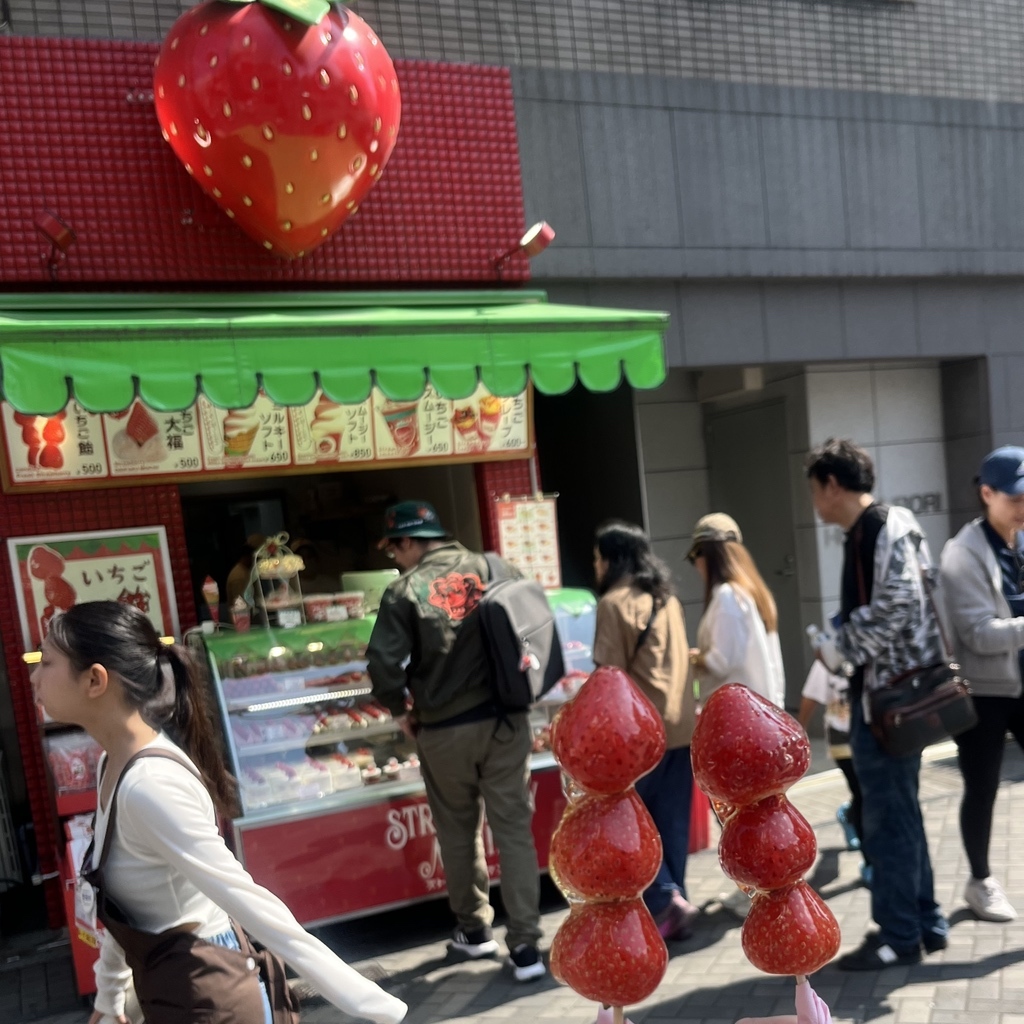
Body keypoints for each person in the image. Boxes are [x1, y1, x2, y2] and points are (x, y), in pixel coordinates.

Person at [30, 601, 406, 1024]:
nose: (34, 677)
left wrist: (377, 1008)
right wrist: (109, 996)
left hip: (210, 997)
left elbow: (251, 904)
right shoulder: (112, 765)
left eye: (46, 662)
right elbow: (124, 902)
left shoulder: (148, 786)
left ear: (95, 680)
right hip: (175, 990)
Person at [365, 500, 545, 982]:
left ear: (408, 542)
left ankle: (475, 931)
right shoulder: (494, 565)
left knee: (458, 830)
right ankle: (526, 946)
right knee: (512, 827)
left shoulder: (404, 591)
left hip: (444, 731)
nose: (394, 559)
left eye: (393, 549)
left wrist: (401, 711)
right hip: (507, 722)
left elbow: (383, 666)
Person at [805, 437, 948, 970]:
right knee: (902, 814)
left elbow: (898, 605)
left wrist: (839, 646)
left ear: (832, 484)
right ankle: (925, 923)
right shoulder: (886, 527)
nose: (814, 504)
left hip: (887, 699)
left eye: (815, 491)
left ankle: (897, 936)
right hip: (897, 695)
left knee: (886, 819)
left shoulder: (879, 528)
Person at [591, 520, 699, 941]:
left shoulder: (613, 604)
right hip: (680, 724)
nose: (595, 566)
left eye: (597, 558)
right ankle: (677, 904)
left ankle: (663, 900)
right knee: (670, 821)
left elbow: (608, 677)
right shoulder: (666, 598)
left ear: (611, 560)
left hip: (639, 733)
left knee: (632, 824)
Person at [939, 445, 1024, 923]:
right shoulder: (963, 553)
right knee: (983, 786)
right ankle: (979, 880)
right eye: (1015, 497)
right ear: (986, 493)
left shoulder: (1018, 537)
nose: (1023, 506)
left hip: (1021, 682)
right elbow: (977, 634)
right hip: (984, 692)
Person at [686, 513, 785, 708]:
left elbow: (722, 662)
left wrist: (695, 658)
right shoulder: (753, 592)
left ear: (708, 555)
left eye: (694, 556)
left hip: (738, 713)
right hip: (762, 708)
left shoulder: (727, 596)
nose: (696, 565)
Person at [798, 660, 872, 885]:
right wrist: (797, 733)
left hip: (871, 732)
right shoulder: (827, 658)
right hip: (841, 736)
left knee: (866, 793)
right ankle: (871, 863)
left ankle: (848, 814)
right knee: (862, 793)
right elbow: (810, 696)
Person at [225, 533, 265, 608]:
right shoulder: (240, 576)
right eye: (259, 558)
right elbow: (243, 606)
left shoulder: (247, 572)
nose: (260, 561)